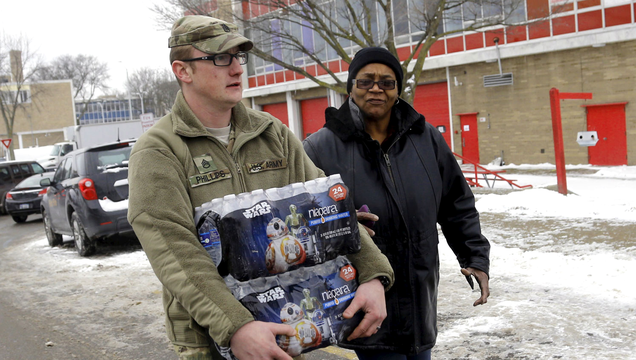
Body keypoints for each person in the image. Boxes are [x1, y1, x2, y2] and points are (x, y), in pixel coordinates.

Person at [127, 17, 394, 360]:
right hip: (212, 338)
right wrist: (235, 325)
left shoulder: (272, 133)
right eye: (220, 58)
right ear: (183, 70)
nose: (237, 69)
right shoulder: (159, 150)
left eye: (239, 57)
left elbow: (325, 207)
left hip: (283, 320)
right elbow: (175, 254)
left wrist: (373, 274)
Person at [303, 47, 491, 360]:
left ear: (397, 90)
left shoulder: (426, 138)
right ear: (351, 86)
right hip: (365, 305)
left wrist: (474, 256)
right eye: (366, 81)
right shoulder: (319, 148)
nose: (376, 88)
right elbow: (305, 225)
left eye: (387, 82)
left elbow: (457, 203)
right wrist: (341, 227)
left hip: (420, 303)